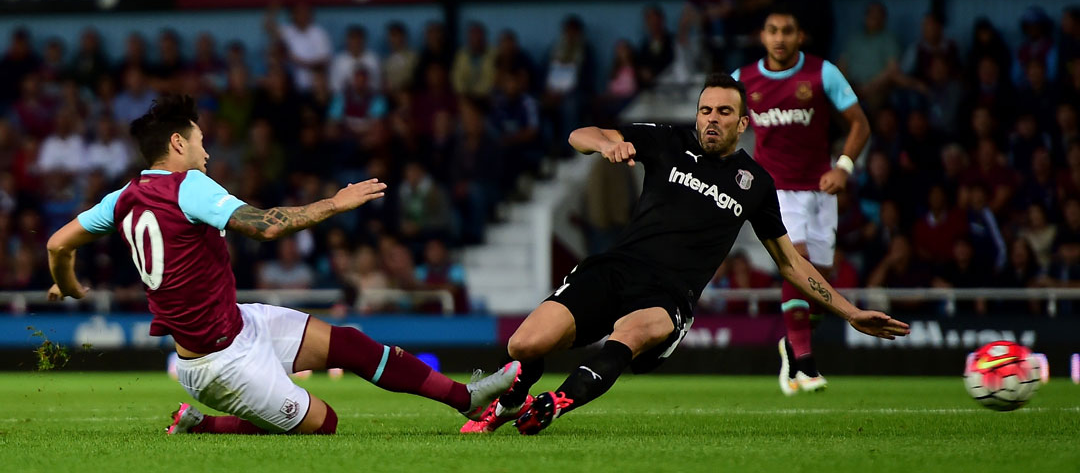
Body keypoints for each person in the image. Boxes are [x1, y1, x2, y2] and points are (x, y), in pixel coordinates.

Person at [460, 74, 908, 436]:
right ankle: (511, 400)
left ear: (743, 123)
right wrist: (605, 144)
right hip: (616, 268)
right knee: (524, 343)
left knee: (632, 332)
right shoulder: (667, 141)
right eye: (705, 110)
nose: (712, 119)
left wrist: (850, 312)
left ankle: (555, 403)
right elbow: (582, 133)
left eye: (724, 112)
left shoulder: (755, 184)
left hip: (670, 294)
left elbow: (790, 263)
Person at [44, 95, 519, 436]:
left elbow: (57, 245)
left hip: (235, 324)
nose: (207, 153)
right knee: (324, 423)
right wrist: (334, 203)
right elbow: (267, 226)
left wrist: (68, 285)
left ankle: (466, 398)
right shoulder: (188, 184)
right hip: (219, 363)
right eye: (200, 142)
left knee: (349, 343)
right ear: (177, 143)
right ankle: (205, 424)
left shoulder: (121, 197)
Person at [731, 8, 871, 395]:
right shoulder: (742, 80)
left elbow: (860, 123)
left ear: (800, 36)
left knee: (820, 288)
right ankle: (806, 365)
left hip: (821, 188)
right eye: (772, 31)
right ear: (762, 36)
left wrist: (843, 167)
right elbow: (715, 120)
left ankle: (792, 345)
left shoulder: (822, 73)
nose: (779, 38)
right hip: (773, 189)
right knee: (797, 261)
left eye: (787, 31)